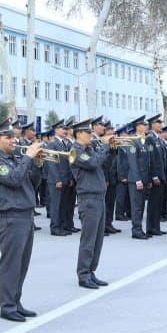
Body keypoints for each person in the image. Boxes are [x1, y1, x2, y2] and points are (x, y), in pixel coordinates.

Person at [0, 119, 44, 321]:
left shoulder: (16, 160)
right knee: (11, 264)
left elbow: (32, 184)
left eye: (13, 136)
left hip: (25, 215)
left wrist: (36, 164)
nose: (13, 140)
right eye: (8, 137)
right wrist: (28, 157)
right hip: (11, 217)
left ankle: (16, 301)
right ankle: (7, 306)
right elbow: (14, 179)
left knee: (22, 264)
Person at [71, 119, 109, 289]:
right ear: (79, 134)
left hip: (99, 196)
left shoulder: (90, 148)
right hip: (88, 198)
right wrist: (105, 146)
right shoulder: (76, 151)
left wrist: (110, 149)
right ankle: (83, 274)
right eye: (88, 133)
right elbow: (93, 163)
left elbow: (102, 162)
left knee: (98, 239)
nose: (91, 135)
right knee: (89, 238)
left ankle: (91, 271)